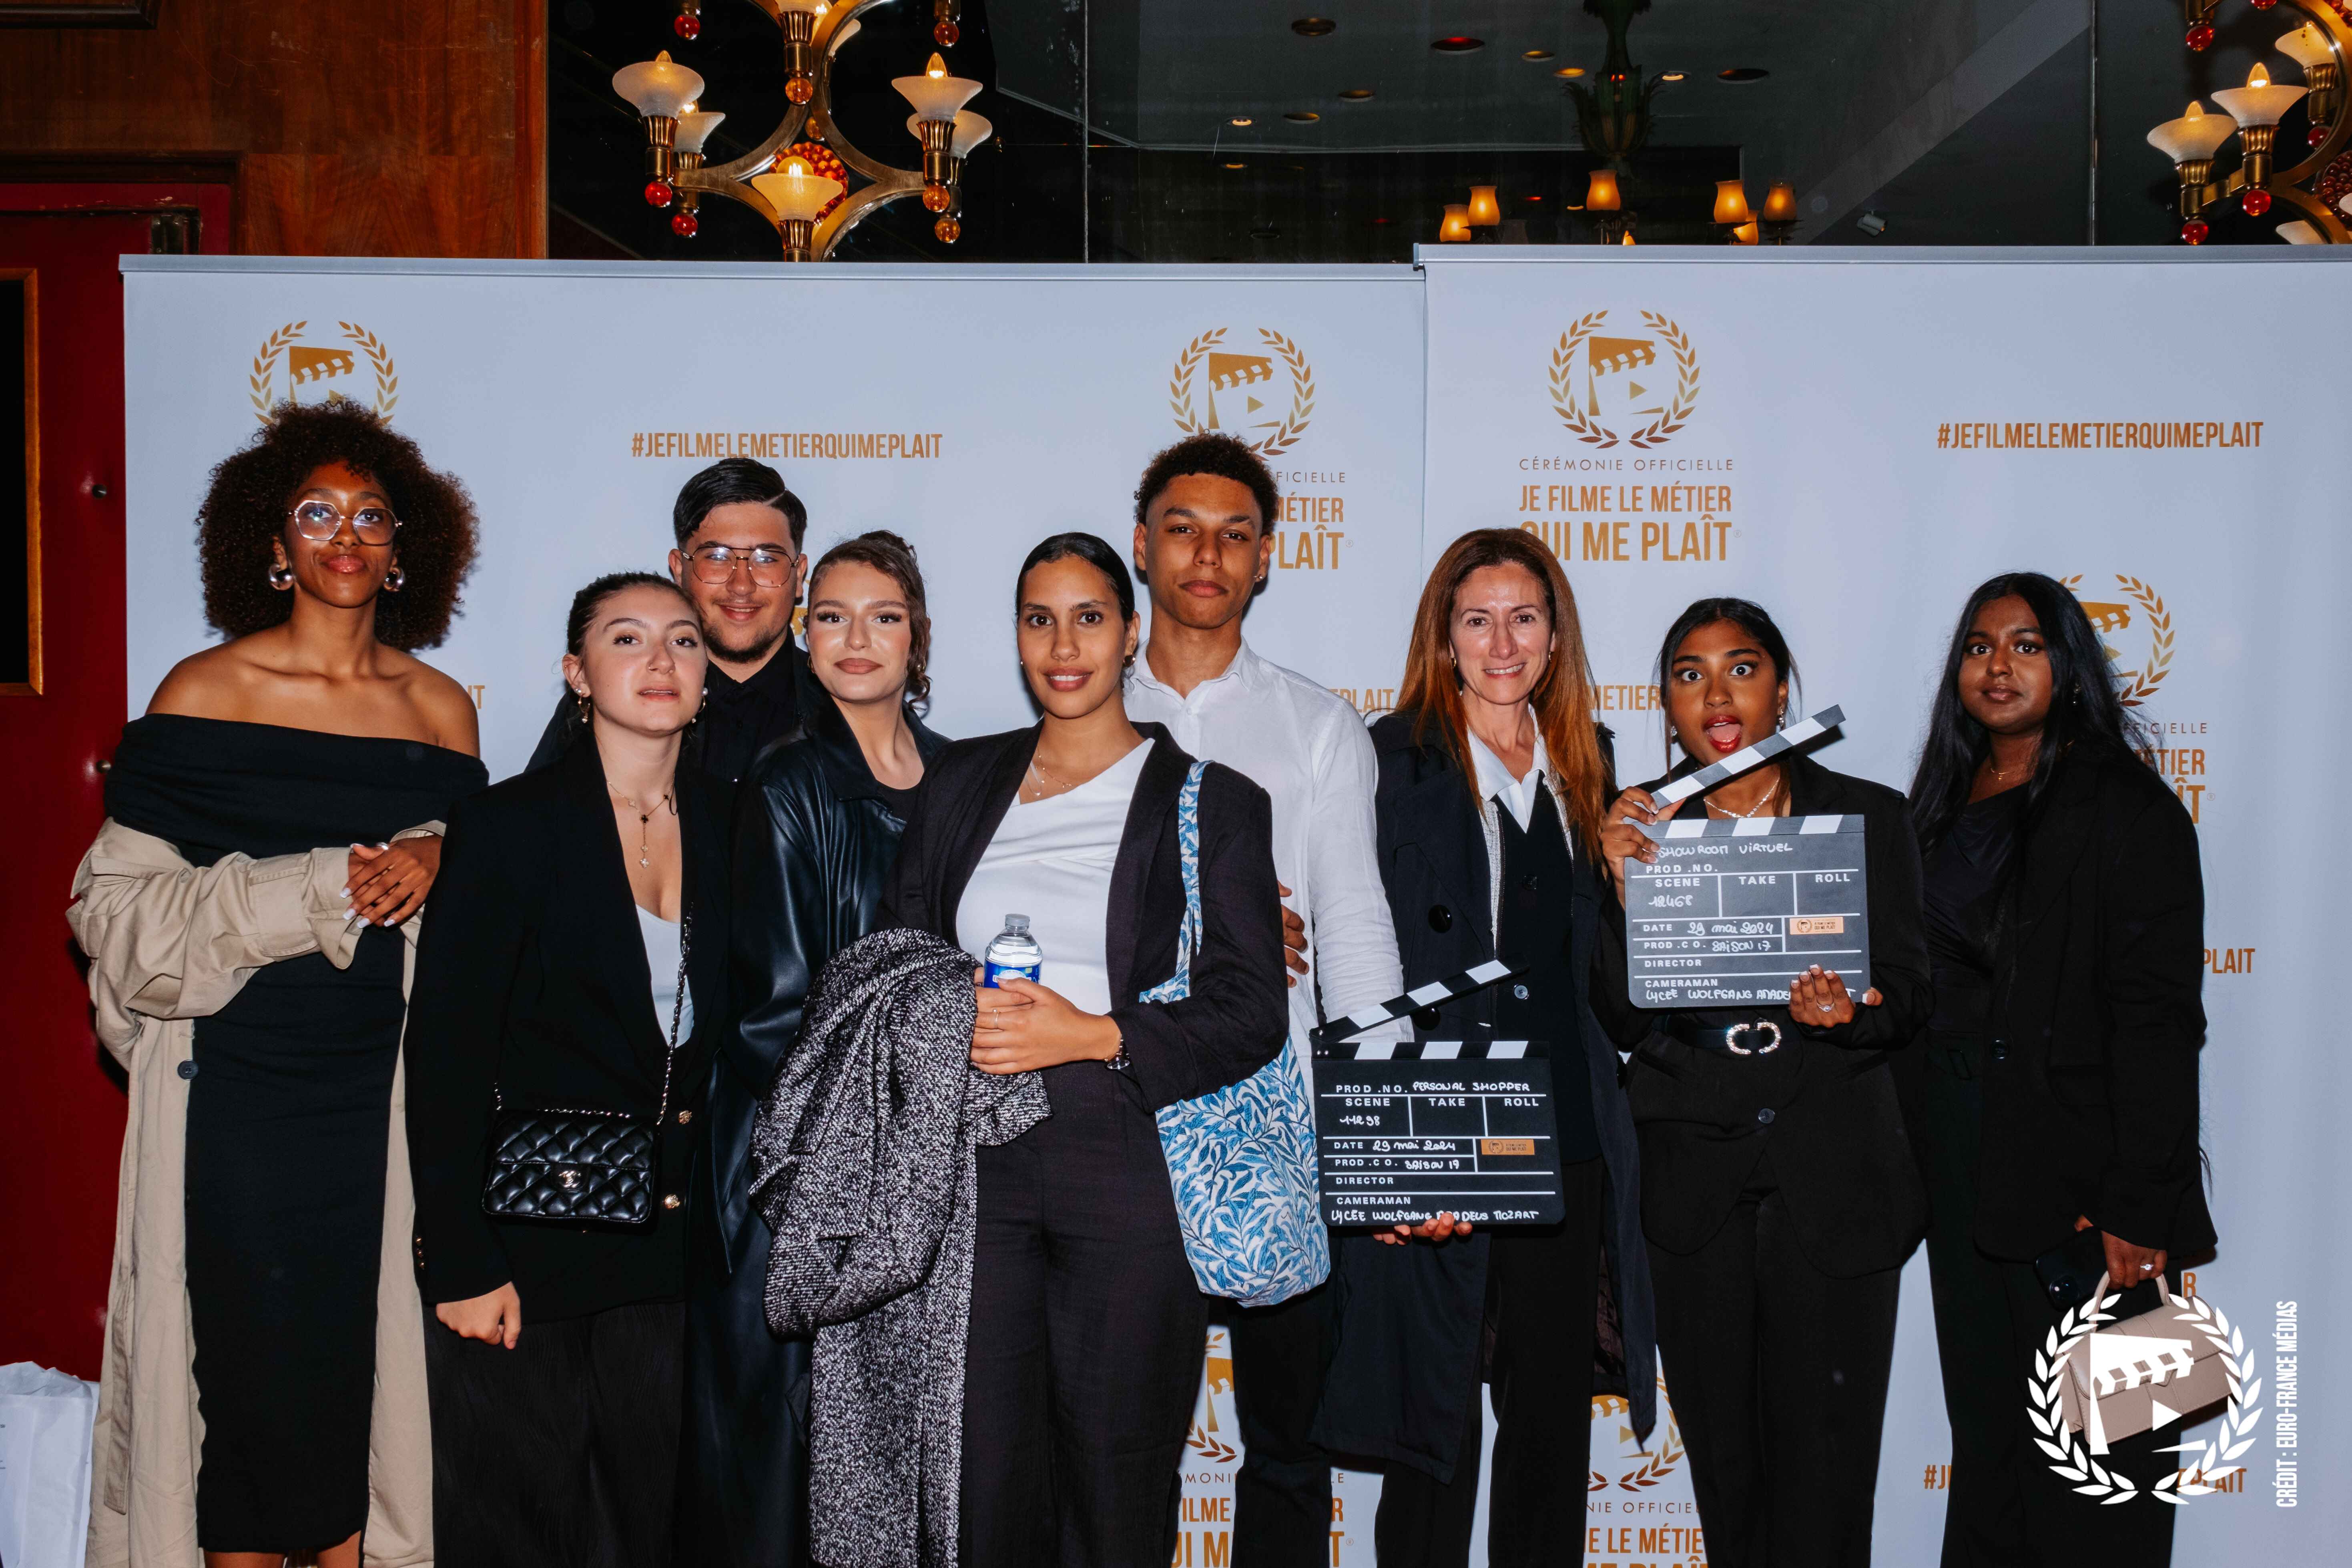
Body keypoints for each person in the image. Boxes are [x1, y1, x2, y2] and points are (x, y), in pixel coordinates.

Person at [67, 398, 486, 1568]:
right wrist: (317, 885)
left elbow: (487, 901)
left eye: (371, 515)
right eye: (316, 513)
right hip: (238, 1099)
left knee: (362, 1398)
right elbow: (114, 916)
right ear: (273, 542)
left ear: (404, 549)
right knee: (245, 1406)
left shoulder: (440, 709)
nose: (345, 535)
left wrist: (442, 854)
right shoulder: (203, 692)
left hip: (383, 1102)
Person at [883, 531, 1289, 1566]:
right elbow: (901, 957)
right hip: (974, 1167)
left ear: (1131, 632)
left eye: (1089, 617)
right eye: (1039, 619)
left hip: (1128, 1159)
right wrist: (948, 1020)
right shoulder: (959, 780)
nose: (1063, 645)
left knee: (1115, 1481)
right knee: (980, 1479)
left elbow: (1252, 1006)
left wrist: (1095, 1031)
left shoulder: (1212, 799)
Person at [1314, 528, 1655, 1568]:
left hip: (1564, 1137)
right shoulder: (1388, 757)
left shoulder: (1588, 760)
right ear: (1444, 636)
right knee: (1432, 1431)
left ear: (1554, 635)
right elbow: (1348, 942)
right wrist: (1392, 1157)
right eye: (1477, 619)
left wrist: (1625, 887)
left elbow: (1613, 992)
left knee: (1549, 1426)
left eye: (1523, 618)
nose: (1501, 643)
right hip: (1440, 1130)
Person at [1119, 433, 1407, 1566]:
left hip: (1278, 1121)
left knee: (1289, 1441)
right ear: (1141, 544)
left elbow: (1353, 923)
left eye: (1234, 534)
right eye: (1183, 529)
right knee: (1118, 1438)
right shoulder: (1077, 711)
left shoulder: (1317, 725)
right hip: (1118, 1116)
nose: (1207, 554)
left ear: (1266, 556)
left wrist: (1384, 1133)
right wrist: (1218, 935)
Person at [1594, 597, 1929, 1568]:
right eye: (1689, 674)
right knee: (1727, 1478)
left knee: (1830, 1483)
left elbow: (1911, 995)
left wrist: (1850, 1011)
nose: (1717, 693)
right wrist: (1617, 889)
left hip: (1837, 1169)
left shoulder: (1869, 814)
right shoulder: (1633, 825)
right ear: (1666, 703)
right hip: (1693, 1176)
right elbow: (1615, 1015)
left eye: (1741, 668)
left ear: (1782, 689)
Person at [405, 572, 731, 1568]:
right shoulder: (507, 823)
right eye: (627, 638)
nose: (661, 659)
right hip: (527, 1248)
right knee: (517, 1532)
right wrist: (461, 1258)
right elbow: (448, 1051)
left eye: (683, 639)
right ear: (576, 673)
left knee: (656, 1534)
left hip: (678, 1258)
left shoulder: (738, 820)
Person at [1899, 573, 2210, 1567]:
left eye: (2025, 645)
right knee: (1992, 1450)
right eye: (1978, 646)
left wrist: (2139, 1205)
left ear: (2069, 667)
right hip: (1963, 1161)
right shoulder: (1940, 800)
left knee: (2114, 1464)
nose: (1997, 665)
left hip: (2093, 1185)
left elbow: (2160, 1021)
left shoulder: (2128, 806)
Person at [680, 531, 949, 1568]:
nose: (855, 638)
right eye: (830, 616)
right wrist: (887, 1142)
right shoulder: (787, 779)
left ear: (917, 635)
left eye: (883, 615)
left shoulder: (966, 776)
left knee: (898, 1456)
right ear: (805, 632)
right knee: (781, 1465)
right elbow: (767, 1017)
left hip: (922, 1165)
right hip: (790, 1171)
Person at [525, 458, 807, 783]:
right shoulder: (605, 702)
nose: (741, 585)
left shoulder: (842, 704)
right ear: (678, 569)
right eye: (717, 557)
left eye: (767, 558)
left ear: (799, 575)